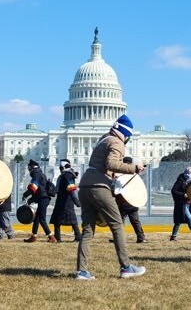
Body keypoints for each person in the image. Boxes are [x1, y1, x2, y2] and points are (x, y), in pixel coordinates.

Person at [75, 114, 147, 280]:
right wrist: (134, 168)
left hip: (85, 185)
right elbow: (111, 163)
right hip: (99, 187)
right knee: (117, 225)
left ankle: (82, 271)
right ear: (125, 133)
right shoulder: (117, 142)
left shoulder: (104, 139)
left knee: (87, 230)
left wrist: (112, 174)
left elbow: (103, 165)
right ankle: (126, 267)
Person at [110, 157, 146, 244]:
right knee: (135, 221)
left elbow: (115, 188)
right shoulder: (134, 174)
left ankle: (118, 239)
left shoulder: (120, 174)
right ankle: (141, 238)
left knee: (120, 221)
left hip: (123, 202)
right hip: (133, 202)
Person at [22, 159, 55, 243]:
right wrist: (31, 199)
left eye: (29, 168)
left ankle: (51, 236)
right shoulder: (39, 174)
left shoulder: (36, 174)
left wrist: (25, 195)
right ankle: (34, 236)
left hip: (43, 199)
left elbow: (33, 187)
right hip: (43, 198)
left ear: (32, 167)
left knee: (41, 219)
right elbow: (40, 189)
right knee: (36, 218)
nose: (29, 169)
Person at [50, 159, 82, 242]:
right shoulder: (64, 175)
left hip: (66, 201)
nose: (60, 169)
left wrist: (77, 202)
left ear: (63, 167)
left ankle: (78, 236)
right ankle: (57, 237)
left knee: (71, 219)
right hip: (61, 200)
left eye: (60, 167)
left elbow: (71, 190)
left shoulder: (67, 175)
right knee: (57, 220)